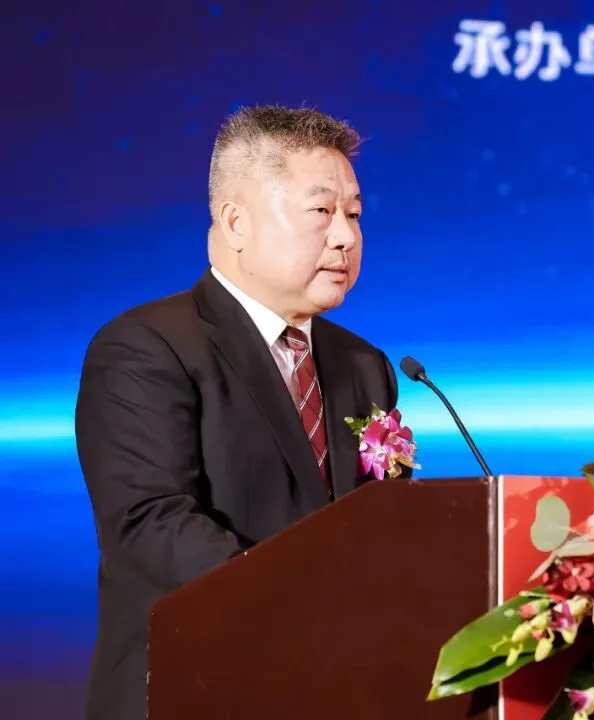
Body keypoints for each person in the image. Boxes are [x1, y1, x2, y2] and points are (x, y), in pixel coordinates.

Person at [74, 105, 402, 720]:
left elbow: (384, 523)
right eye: (321, 211)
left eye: (355, 215)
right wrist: (317, 602)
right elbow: (151, 523)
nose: (345, 237)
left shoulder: (365, 365)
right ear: (235, 221)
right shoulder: (147, 346)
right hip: (193, 686)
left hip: (334, 691)